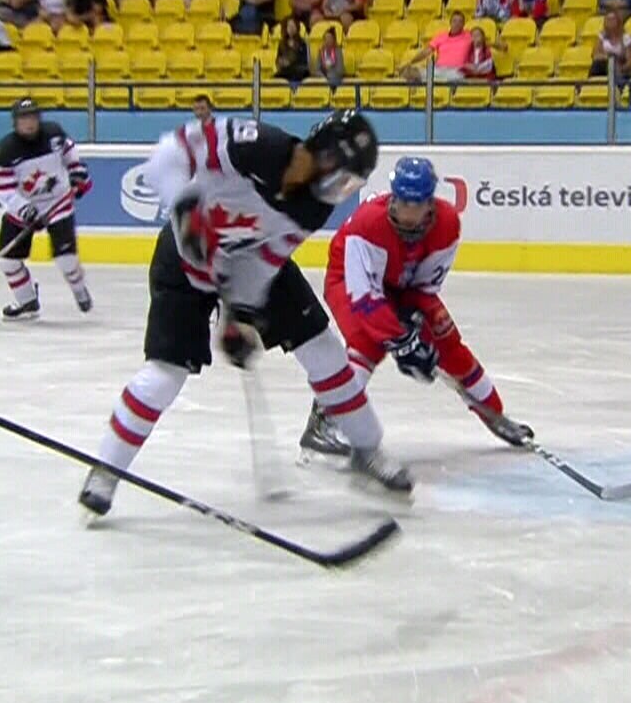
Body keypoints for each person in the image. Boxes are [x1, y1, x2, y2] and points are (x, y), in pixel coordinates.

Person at [77, 108, 412, 519]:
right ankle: (106, 470)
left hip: (242, 264)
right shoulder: (254, 145)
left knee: (324, 351)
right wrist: (185, 211)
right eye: (342, 174)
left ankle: (367, 447)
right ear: (324, 153)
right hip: (183, 262)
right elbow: (167, 155)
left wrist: (242, 314)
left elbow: (266, 257)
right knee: (166, 374)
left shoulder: (312, 207)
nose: (339, 188)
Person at [303, 156, 533, 459]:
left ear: (430, 203)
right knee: (368, 342)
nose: (408, 213)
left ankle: (496, 415)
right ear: (393, 197)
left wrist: (415, 322)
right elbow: (364, 300)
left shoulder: (448, 223)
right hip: (348, 281)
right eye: (402, 202)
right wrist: (403, 341)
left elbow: (425, 288)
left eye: (417, 204)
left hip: (403, 285)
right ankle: (324, 421)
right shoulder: (366, 225)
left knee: (446, 338)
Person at [0, 98, 92, 319]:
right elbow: (3, 190)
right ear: (15, 122)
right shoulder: (4, 152)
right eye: (24, 118)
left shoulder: (54, 135)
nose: (29, 123)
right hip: (23, 208)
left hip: (58, 203)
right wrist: (25, 210)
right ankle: (27, 301)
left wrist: (78, 173)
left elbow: (71, 155)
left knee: (66, 259)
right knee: (7, 262)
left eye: (33, 117)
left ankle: (79, 289)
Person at [275, 16, 311, 82]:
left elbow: (305, 63)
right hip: (285, 72)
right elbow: (278, 60)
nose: (291, 28)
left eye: (293, 26)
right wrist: (281, 62)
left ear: (297, 28)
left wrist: (290, 63)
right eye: (289, 26)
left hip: (299, 73)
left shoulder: (303, 44)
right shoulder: (281, 44)